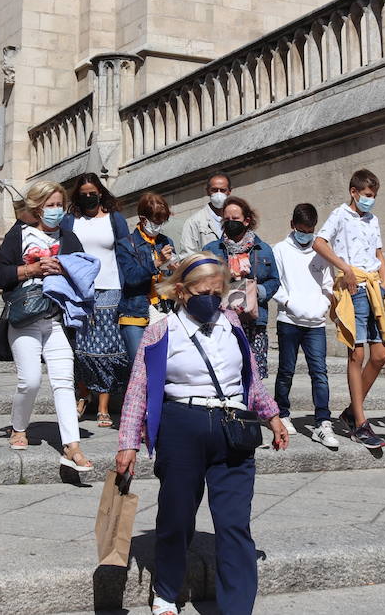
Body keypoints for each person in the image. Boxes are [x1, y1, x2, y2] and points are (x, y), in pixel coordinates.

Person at [116, 253, 289, 615]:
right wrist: (128, 443)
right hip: (182, 427)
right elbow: (138, 389)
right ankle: (166, 592)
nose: (210, 297)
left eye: (217, 290)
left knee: (234, 523)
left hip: (233, 427)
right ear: (181, 291)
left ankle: (237, 608)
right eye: (202, 290)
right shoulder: (161, 330)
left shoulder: (232, 323)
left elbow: (250, 379)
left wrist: (272, 415)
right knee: (177, 517)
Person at [0, 180, 92, 470]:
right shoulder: (19, 234)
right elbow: (0, 276)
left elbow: (84, 277)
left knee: (64, 382)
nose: (56, 211)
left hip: (57, 319)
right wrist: (32, 269)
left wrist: (66, 270)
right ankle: (19, 426)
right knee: (31, 380)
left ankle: (72, 445)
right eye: (50, 205)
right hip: (25, 318)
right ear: (37, 207)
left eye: (59, 205)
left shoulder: (70, 238)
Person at [310, 169, 385, 450]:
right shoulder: (340, 214)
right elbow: (319, 242)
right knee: (356, 353)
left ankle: (349, 413)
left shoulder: (373, 219)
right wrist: (344, 268)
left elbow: (379, 252)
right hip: (353, 288)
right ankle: (359, 422)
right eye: (367, 195)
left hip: (373, 288)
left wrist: (384, 278)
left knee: (380, 355)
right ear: (354, 192)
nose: (371, 201)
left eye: (374, 196)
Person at [61, 173, 130, 428]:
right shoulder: (70, 220)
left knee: (107, 347)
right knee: (80, 346)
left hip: (110, 287)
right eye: (84, 193)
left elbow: (124, 253)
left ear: (101, 192)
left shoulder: (115, 219)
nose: (88, 196)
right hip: (79, 289)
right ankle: (83, 394)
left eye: (93, 192)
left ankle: (103, 406)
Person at [271, 203, 338, 448]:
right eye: (301, 230)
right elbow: (275, 282)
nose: (305, 235)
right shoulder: (279, 250)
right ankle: (283, 413)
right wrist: (289, 302)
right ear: (292, 225)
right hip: (289, 320)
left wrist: (323, 304)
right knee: (286, 370)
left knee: (319, 372)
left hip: (316, 322)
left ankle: (323, 421)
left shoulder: (320, 250)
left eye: (309, 231)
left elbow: (328, 283)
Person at [203, 195, 278, 378]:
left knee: (254, 375)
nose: (230, 223)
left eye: (235, 219)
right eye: (227, 219)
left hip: (254, 321)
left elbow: (274, 280)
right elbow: (201, 281)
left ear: (246, 221)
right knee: (226, 372)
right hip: (221, 321)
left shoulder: (263, 249)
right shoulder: (212, 249)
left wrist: (258, 291)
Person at [114, 192, 175, 361]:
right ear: (143, 218)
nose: (158, 225)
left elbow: (171, 277)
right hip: (135, 314)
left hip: (163, 311)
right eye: (155, 221)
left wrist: (176, 269)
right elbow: (132, 278)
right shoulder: (126, 243)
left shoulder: (166, 241)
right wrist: (156, 263)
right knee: (140, 367)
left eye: (162, 221)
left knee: (164, 366)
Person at [179, 171, 231, 253]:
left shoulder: (237, 218)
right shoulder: (194, 222)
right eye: (214, 190)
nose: (218, 194)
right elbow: (187, 256)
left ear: (229, 191)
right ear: (207, 191)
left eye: (222, 190)